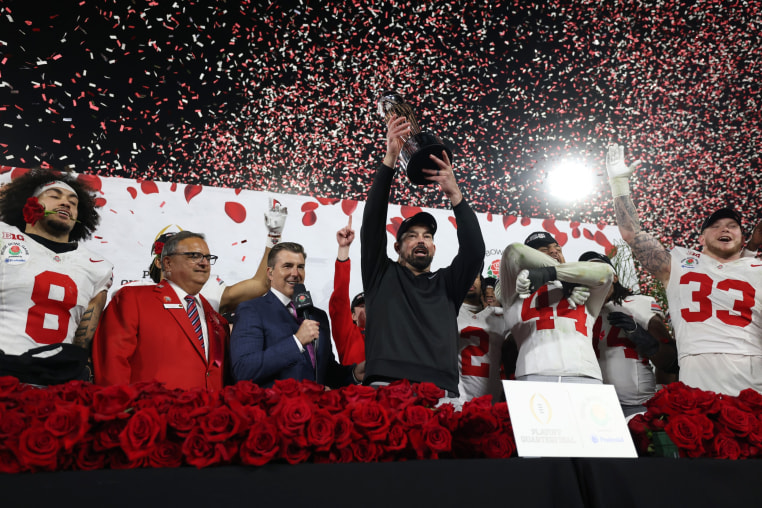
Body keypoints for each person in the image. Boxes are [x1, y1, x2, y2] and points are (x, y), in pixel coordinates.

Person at [606, 143, 762, 395]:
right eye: (716, 225)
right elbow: (631, 234)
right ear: (700, 239)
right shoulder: (677, 264)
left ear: (742, 237)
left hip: (754, 376)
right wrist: (619, 185)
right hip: (697, 373)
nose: (725, 229)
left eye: (733, 225)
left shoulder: (757, 268)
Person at [360, 114, 485, 399]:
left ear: (434, 248)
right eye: (412, 235)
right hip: (384, 386)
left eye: (427, 236)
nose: (421, 241)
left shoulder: (448, 284)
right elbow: (373, 223)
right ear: (396, 247)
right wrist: (390, 157)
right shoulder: (380, 273)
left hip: (439, 391)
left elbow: (475, 251)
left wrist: (455, 194)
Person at [0, 169, 113, 385]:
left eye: (73, 201)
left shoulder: (97, 267)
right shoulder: (3, 236)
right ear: (30, 203)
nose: (66, 203)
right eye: (54, 196)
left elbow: (81, 341)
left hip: (54, 381)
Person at [92, 231, 229, 390]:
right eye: (194, 256)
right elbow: (112, 363)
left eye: (208, 258)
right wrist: (119, 410)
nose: (204, 263)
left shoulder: (217, 319)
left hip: (208, 411)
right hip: (149, 411)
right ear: (168, 263)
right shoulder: (133, 299)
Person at [230, 242, 362, 388]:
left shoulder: (318, 316)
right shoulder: (251, 310)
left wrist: (355, 373)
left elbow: (327, 373)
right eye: (287, 266)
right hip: (274, 408)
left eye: (300, 267)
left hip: (316, 408)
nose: (295, 273)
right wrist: (297, 342)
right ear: (270, 273)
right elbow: (244, 370)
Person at [498, 232, 614, 383]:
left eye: (557, 249)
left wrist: (554, 274)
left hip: (587, 374)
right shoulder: (514, 291)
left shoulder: (584, 289)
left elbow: (607, 272)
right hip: (534, 372)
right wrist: (565, 277)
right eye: (543, 250)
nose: (553, 251)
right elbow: (513, 251)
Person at [142, 198, 288, 314]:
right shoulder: (137, 294)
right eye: (191, 255)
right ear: (162, 263)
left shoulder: (208, 292)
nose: (201, 262)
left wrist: (274, 236)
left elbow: (261, 284)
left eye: (197, 256)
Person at [579, 251, 678, 417]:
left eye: (600, 270)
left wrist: (640, 335)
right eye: (589, 272)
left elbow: (670, 360)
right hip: (593, 405)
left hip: (637, 405)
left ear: (615, 277)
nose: (596, 276)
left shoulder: (639, 303)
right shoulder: (580, 311)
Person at [457, 274, 510, 404]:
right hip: (456, 399)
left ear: (482, 282)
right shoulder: (450, 311)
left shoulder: (500, 316)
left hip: (492, 397)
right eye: (467, 274)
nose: (470, 280)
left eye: (475, 276)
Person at [328, 216, 366, 365]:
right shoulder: (348, 334)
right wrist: (344, 249)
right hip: (353, 387)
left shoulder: (388, 336)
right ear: (352, 316)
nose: (368, 309)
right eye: (362, 306)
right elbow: (340, 297)